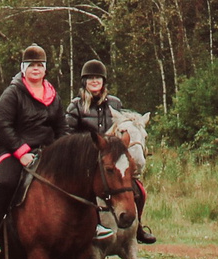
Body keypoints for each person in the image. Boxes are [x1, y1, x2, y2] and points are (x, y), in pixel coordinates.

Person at [64, 58, 156, 244]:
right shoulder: (75, 105)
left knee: (139, 191)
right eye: (90, 78)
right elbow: (67, 133)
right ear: (84, 81)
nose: (95, 81)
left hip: (111, 158)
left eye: (98, 78)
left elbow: (123, 125)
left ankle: (137, 227)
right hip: (86, 161)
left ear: (104, 81)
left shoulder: (115, 103)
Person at [0, 45, 64, 256]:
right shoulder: (12, 94)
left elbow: (61, 129)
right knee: (8, 182)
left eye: (40, 65)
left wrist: (60, 152)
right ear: (23, 69)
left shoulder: (53, 97)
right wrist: (21, 152)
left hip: (44, 151)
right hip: (9, 149)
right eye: (31, 65)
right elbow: (3, 127)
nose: (36, 69)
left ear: (45, 69)